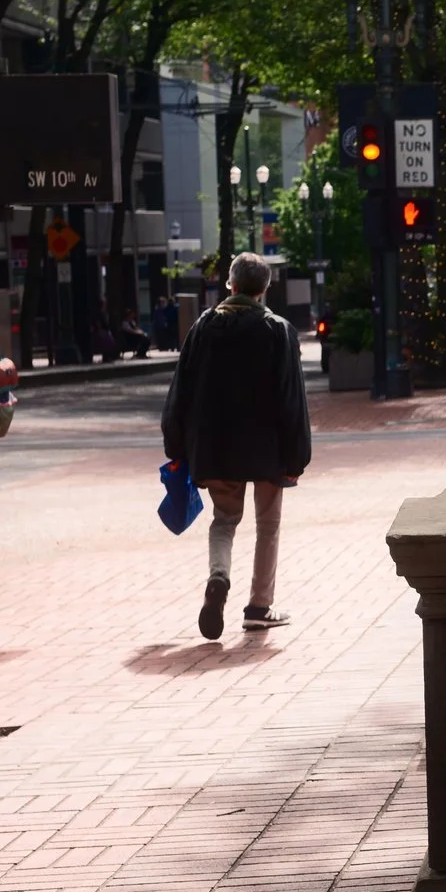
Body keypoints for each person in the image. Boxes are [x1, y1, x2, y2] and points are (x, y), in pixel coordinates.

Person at [161, 252, 310, 638]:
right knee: (268, 526)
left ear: (230, 284)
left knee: (224, 521)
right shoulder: (278, 330)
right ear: (265, 288)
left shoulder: (204, 328)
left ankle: (219, 576)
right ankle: (259, 606)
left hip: (216, 448)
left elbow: (181, 393)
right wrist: (298, 457)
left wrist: (176, 447)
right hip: (268, 450)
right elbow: (291, 399)